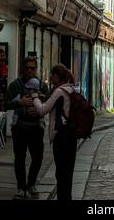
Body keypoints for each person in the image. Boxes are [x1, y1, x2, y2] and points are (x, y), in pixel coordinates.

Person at [5, 56, 49, 200]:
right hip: (19, 126)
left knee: (37, 157)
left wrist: (38, 110)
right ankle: (21, 187)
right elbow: (4, 105)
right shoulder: (15, 85)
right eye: (27, 68)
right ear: (22, 69)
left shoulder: (42, 85)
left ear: (36, 69)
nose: (30, 70)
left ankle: (31, 184)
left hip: (36, 126)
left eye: (33, 68)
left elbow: (48, 103)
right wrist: (20, 103)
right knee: (19, 158)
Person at [32, 64, 77, 201]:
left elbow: (42, 110)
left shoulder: (59, 91)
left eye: (52, 74)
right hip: (72, 135)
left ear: (57, 76)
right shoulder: (71, 89)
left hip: (61, 136)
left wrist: (35, 98)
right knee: (68, 173)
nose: (50, 77)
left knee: (61, 173)